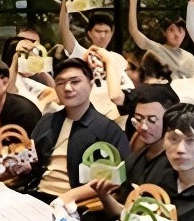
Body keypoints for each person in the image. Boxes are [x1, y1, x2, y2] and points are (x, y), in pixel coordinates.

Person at [18, 58, 131, 206]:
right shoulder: (47, 121)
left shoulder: (108, 130)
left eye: (75, 82)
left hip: (76, 205)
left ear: (91, 84)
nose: (67, 88)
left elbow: (116, 178)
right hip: (35, 195)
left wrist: (71, 196)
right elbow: (30, 160)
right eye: (60, 83)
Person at [89, 84, 180, 221]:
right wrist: (104, 195)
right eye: (138, 119)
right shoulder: (135, 158)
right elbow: (121, 212)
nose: (143, 127)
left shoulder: (177, 165)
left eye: (152, 120)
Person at [127, 0, 194, 79]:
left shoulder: (189, 58)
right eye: (171, 30)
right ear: (164, 33)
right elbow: (134, 31)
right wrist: (133, 1)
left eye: (180, 30)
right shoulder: (157, 50)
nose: (176, 34)